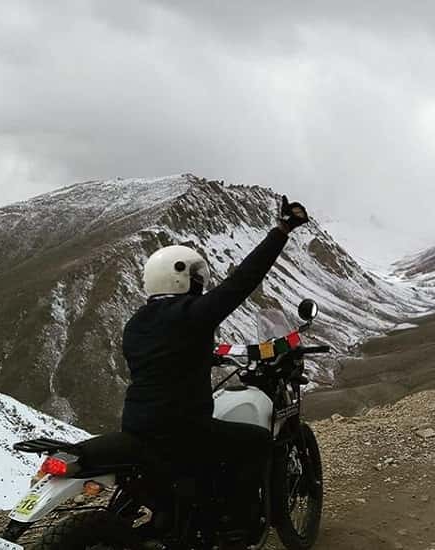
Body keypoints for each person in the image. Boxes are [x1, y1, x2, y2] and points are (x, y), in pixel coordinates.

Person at [121, 195, 309, 546]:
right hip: (182, 428)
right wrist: (282, 230)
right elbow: (243, 280)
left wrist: (204, 357)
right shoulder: (192, 315)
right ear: (183, 280)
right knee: (256, 442)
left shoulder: (136, 323)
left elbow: (164, 358)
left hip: (136, 425)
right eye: (196, 279)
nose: (200, 285)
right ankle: (236, 528)